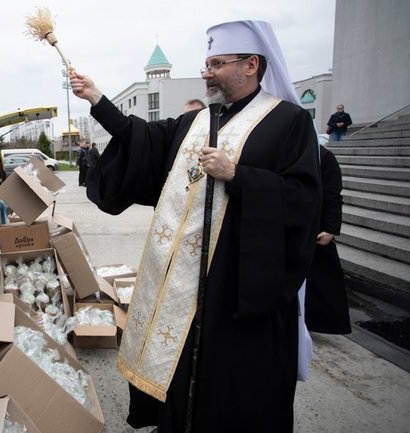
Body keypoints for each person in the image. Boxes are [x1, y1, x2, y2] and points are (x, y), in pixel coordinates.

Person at [70, 20, 321, 433]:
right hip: (181, 282)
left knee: (226, 385)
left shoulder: (288, 122)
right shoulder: (198, 122)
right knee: (180, 371)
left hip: (234, 282)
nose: (207, 71)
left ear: (251, 65)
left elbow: (303, 198)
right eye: (206, 63)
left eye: (217, 63)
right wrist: (97, 98)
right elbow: (145, 139)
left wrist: (238, 175)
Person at [305, 144, 351, 334]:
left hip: (315, 229)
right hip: (292, 226)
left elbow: (333, 195)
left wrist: (331, 229)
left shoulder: (323, 156)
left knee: (320, 280)